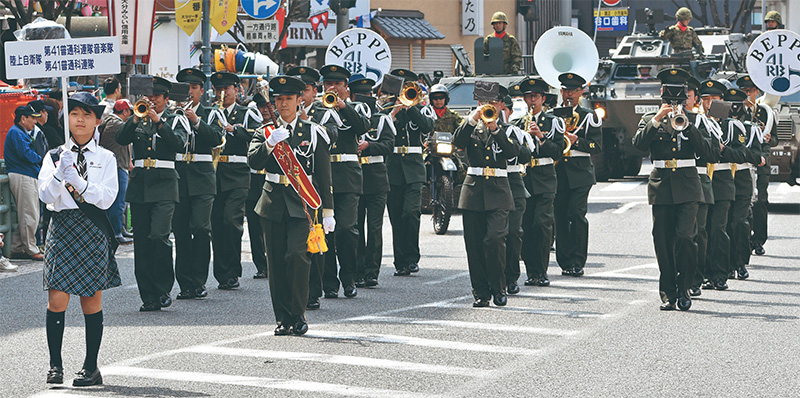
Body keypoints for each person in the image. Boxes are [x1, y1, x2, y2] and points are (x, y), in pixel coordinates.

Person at [38, 91, 120, 386]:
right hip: (62, 227)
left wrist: (80, 182)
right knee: (57, 299)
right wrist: (61, 174)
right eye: (75, 114)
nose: (81, 119)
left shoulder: (106, 158)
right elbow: (45, 195)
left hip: (91, 228)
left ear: (97, 121)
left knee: (90, 300)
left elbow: (108, 199)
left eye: (87, 114)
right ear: (66, 119)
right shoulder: (54, 156)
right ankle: (55, 365)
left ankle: (91, 367)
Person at [247, 75, 334, 336]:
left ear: (299, 101)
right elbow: (253, 162)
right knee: (275, 263)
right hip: (272, 201)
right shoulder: (265, 132)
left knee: (297, 256)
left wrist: (328, 211)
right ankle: (282, 318)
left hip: (302, 204)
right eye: (279, 99)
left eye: (288, 99)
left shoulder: (313, 132)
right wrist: (270, 143)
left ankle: (298, 313)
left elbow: (323, 173)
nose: (283, 104)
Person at [632, 68, 716, 311]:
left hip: (689, 184)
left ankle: (684, 288)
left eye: (679, 91)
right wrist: (658, 118)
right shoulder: (650, 118)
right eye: (670, 90)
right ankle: (668, 290)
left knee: (686, 238)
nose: (674, 96)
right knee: (663, 239)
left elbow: (710, 153)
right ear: (661, 91)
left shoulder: (697, 120)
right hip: (661, 185)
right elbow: (637, 145)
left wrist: (689, 126)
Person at [116, 76, 188, 311]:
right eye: (150, 96)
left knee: (159, 236)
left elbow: (179, 144)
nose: (153, 100)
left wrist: (160, 123)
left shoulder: (175, 119)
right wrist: (135, 117)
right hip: (140, 185)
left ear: (166, 99)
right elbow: (121, 138)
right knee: (143, 243)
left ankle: (163, 288)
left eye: (157, 97)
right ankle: (148, 295)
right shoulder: (140, 118)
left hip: (165, 184)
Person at [453, 83, 520, 307]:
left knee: (494, 240)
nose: (488, 107)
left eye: (493, 103)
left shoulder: (508, 130)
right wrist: (473, 118)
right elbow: (458, 143)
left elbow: (512, 153)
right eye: (483, 103)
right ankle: (480, 292)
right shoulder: (470, 126)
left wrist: (495, 128)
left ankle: (498, 287)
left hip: (499, 191)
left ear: (501, 105)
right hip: (473, 191)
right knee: (473, 245)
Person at [319, 64, 370, 299]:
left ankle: (349, 277)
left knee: (347, 229)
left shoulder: (356, 107)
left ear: (347, 88)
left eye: (338, 84)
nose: (333, 87)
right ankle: (329, 281)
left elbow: (363, 127)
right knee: (325, 231)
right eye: (329, 83)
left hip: (348, 176)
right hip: (324, 174)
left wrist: (342, 106)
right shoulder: (317, 110)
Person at [173, 68, 224, 300]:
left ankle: (199, 280)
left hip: (203, 177)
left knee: (202, 228)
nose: (190, 92)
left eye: (194, 88)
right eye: (185, 88)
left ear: (202, 91)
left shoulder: (211, 113)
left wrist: (196, 121)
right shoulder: (171, 115)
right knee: (181, 231)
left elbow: (215, 139)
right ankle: (185, 283)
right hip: (179, 177)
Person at [210, 72, 262, 291]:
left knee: (232, 221)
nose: (223, 93)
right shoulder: (212, 114)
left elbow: (260, 135)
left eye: (227, 89)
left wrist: (236, 130)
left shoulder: (247, 112)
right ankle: (221, 273)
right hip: (216, 172)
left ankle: (233, 270)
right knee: (217, 224)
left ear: (236, 89)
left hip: (239, 172)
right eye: (218, 89)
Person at [512, 78, 566, 287]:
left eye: (535, 96)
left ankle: (541, 271)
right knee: (526, 227)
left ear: (543, 98)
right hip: (525, 179)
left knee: (542, 225)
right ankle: (531, 272)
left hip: (544, 178)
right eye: (528, 96)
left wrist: (541, 137)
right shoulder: (517, 123)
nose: (531, 100)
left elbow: (558, 152)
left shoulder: (554, 122)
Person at [383, 69, 435, 276]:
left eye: (409, 87)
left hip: (414, 167)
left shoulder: (423, 109)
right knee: (396, 216)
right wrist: (394, 110)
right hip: (393, 166)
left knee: (411, 212)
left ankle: (412, 257)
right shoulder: (387, 109)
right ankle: (400, 262)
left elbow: (428, 126)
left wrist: (410, 106)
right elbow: (378, 129)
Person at [698, 80, 748, 291]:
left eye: (714, 99)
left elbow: (742, 154)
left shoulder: (732, 126)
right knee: (701, 230)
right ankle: (702, 274)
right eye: (705, 99)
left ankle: (720, 274)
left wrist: (720, 149)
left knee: (718, 228)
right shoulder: (696, 123)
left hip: (721, 180)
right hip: (701, 181)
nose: (709, 104)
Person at [553, 73, 602, 277]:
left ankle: (578, 260)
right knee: (561, 216)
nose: (569, 94)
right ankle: (564, 261)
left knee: (577, 214)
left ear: (581, 92)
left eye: (573, 91)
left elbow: (596, 145)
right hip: (558, 172)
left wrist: (577, 141)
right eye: (565, 90)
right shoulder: (553, 115)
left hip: (580, 172)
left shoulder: (589, 116)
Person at [350, 77, 395, 289]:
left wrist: (369, 145)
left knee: (375, 228)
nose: (365, 99)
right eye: (360, 95)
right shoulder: (348, 118)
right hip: (356, 177)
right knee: (356, 227)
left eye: (368, 95)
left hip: (376, 177)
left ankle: (372, 272)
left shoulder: (382, 119)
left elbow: (388, 145)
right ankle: (357, 271)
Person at [723, 88, 766, 281]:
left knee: (739, 222)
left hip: (741, 178)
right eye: (729, 103)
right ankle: (727, 264)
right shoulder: (719, 127)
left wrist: (737, 153)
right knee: (723, 224)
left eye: (737, 104)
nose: (733, 108)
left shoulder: (751, 129)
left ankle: (740, 262)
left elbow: (757, 156)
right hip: (723, 177)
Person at [685, 77, 722, 297]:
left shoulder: (703, 122)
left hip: (699, 178)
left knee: (698, 232)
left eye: (687, 95)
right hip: (676, 181)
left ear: (694, 98)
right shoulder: (664, 117)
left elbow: (712, 153)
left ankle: (696, 278)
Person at [738, 75, 778, 256]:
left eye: (750, 91)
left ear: (757, 92)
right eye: (744, 91)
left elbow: (775, 139)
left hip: (761, 164)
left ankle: (759, 239)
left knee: (760, 202)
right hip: (742, 162)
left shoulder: (765, 112)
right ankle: (744, 239)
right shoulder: (737, 111)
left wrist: (769, 139)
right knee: (743, 203)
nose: (747, 94)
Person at [5, 104, 45, 261]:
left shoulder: (18, 132)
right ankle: (31, 249)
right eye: (32, 119)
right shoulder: (17, 133)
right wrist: (41, 159)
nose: (35, 122)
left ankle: (16, 246)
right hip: (23, 174)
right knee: (30, 214)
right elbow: (26, 154)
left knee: (27, 213)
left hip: (24, 174)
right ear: (23, 119)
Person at [98, 99, 133, 245]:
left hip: (118, 165)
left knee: (120, 202)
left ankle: (120, 229)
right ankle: (116, 232)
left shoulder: (111, 122)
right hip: (117, 166)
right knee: (117, 202)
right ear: (124, 111)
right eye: (130, 112)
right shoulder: (116, 124)